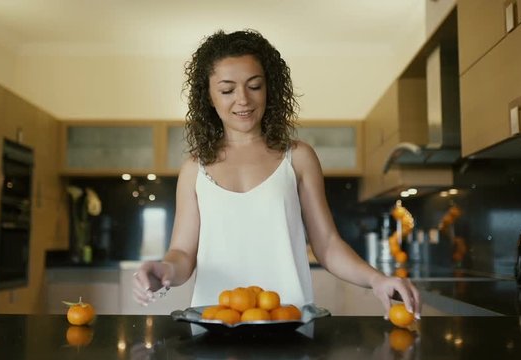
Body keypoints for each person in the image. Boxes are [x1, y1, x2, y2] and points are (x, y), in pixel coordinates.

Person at [133, 29, 421, 318]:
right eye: (227, 90)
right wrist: (165, 269)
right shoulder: (194, 170)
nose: (243, 99)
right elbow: (182, 254)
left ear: (269, 88)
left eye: (254, 86)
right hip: (215, 324)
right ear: (208, 97)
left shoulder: (297, 158)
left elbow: (328, 245)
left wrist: (377, 279)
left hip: (289, 322)